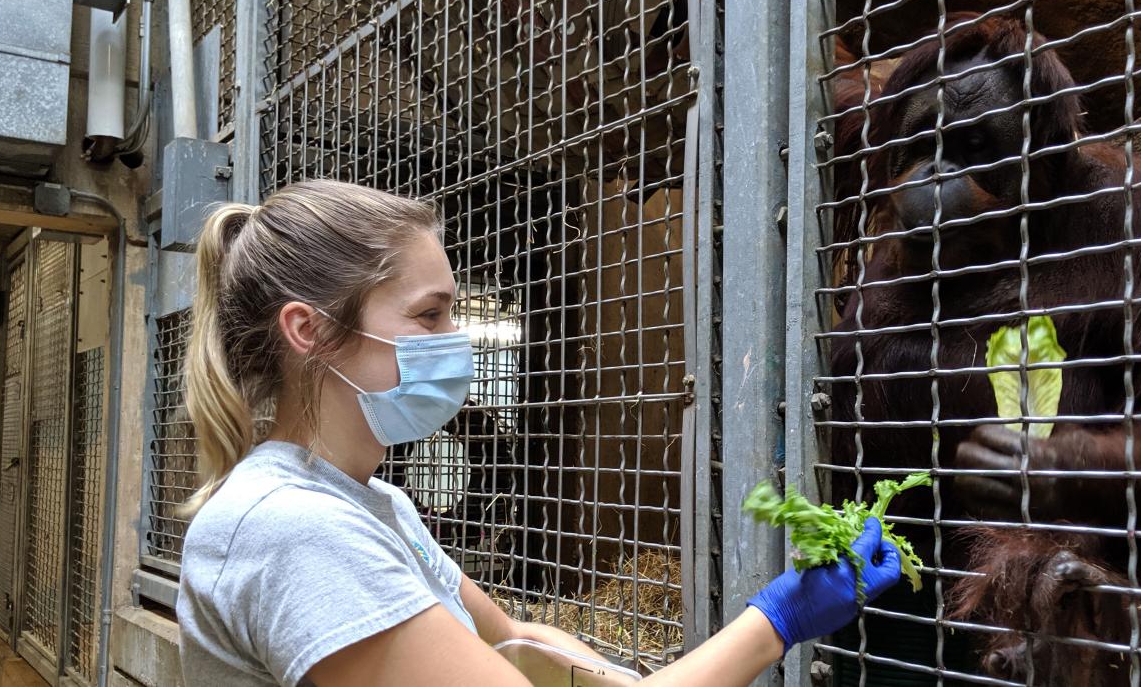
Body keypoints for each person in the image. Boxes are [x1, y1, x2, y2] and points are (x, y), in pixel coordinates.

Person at [176, 179, 902, 686]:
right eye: (430, 316)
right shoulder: (293, 529)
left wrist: (619, 678)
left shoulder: (380, 507)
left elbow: (515, 640)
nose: (456, 340)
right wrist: (776, 620)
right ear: (310, 330)